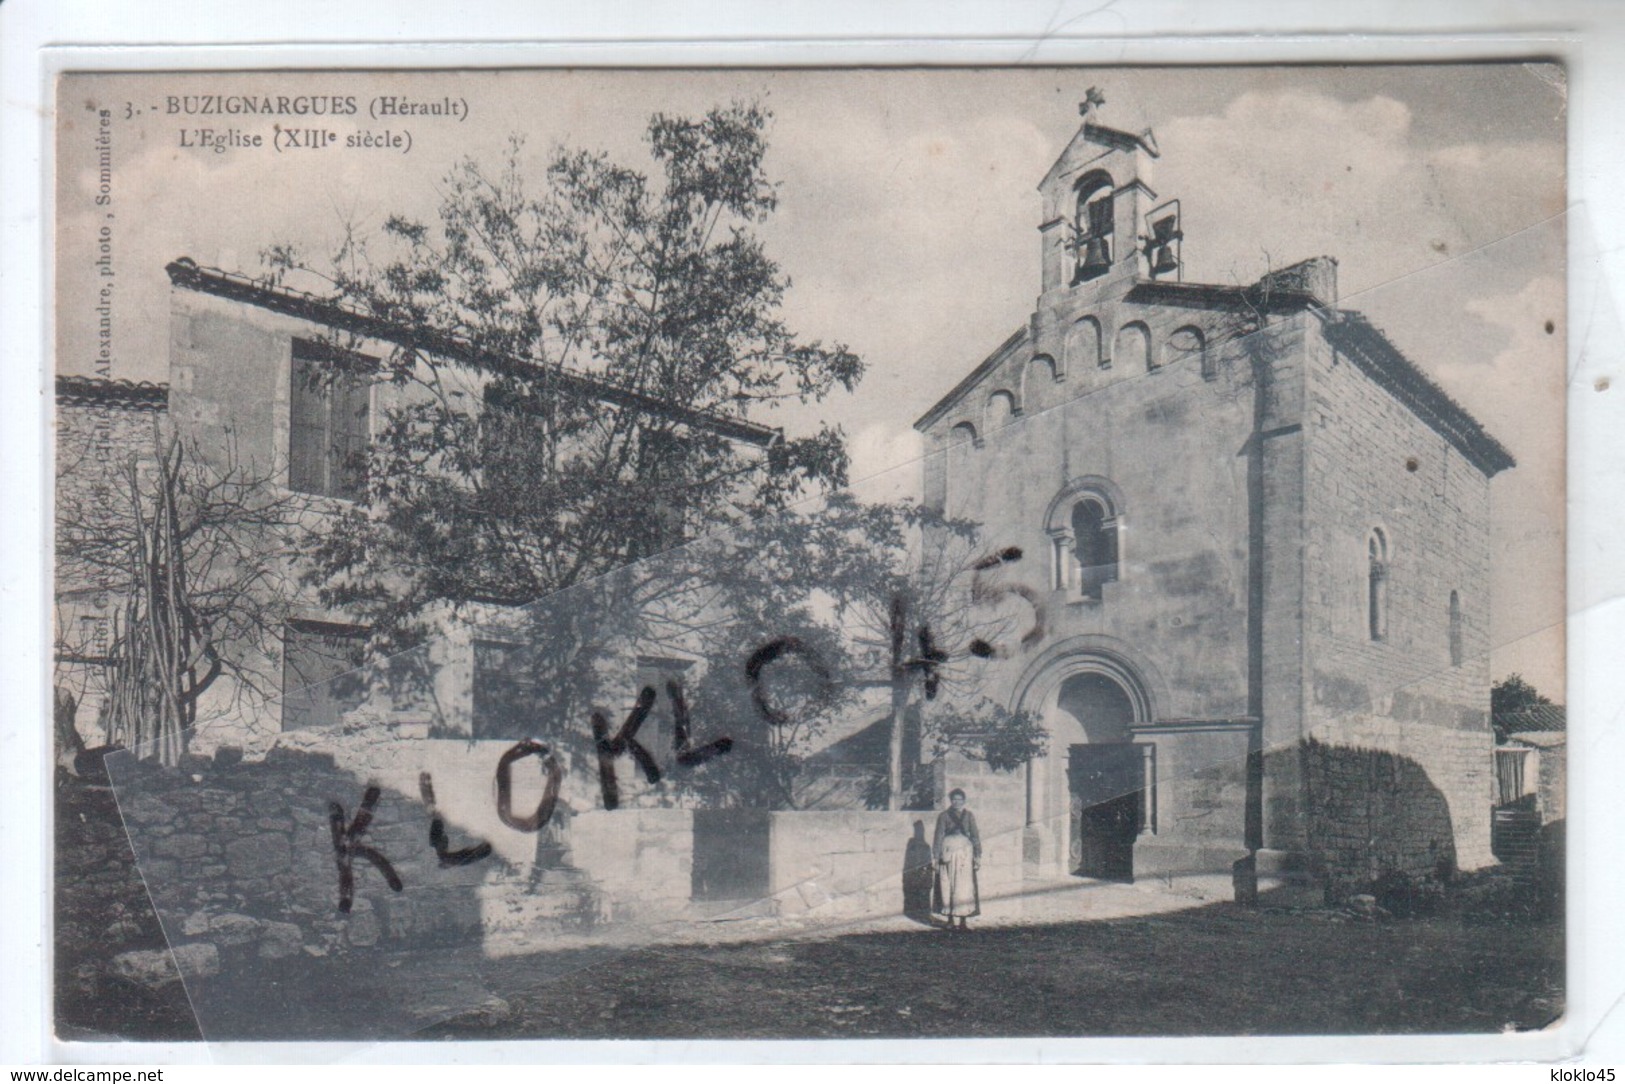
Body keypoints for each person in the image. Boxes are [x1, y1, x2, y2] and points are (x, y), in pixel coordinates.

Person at [932, 788, 981, 930]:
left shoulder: (969, 816)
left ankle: (963, 920)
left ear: (964, 801)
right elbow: (938, 836)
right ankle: (950, 920)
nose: (957, 802)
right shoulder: (943, 816)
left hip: (964, 854)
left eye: (960, 800)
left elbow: (975, 836)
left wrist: (978, 855)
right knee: (947, 884)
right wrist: (936, 857)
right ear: (951, 801)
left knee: (963, 886)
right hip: (948, 853)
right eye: (954, 799)